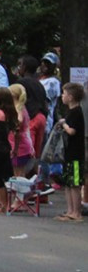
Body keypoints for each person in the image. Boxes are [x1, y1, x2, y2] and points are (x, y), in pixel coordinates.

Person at [55, 82, 85, 222]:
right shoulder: (70, 112)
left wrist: (64, 124)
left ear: (71, 97)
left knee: (75, 184)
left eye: (64, 93)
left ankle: (77, 212)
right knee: (68, 183)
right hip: (68, 153)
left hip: (76, 154)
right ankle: (70, 210)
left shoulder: (77, 112)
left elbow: (72, 131)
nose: (62, 96)